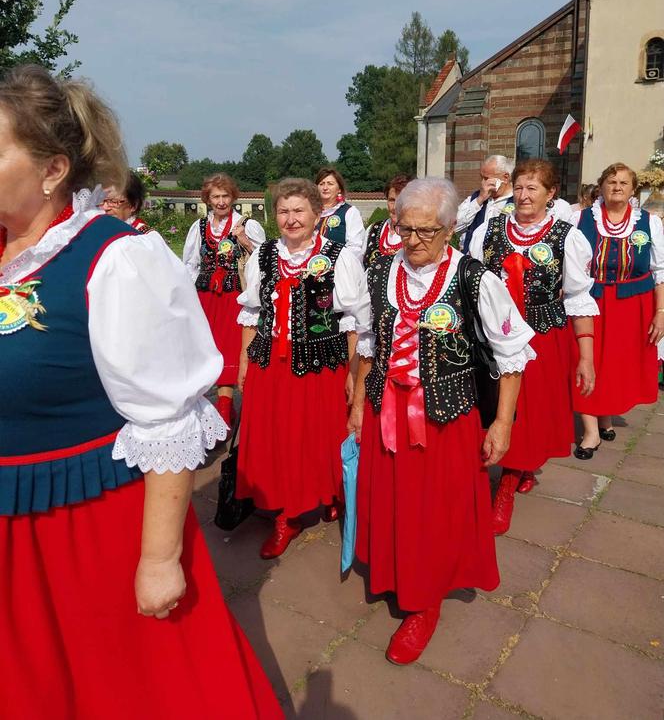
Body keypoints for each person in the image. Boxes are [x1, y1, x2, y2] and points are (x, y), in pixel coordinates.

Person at [0, 65, 282, 720]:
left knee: (129, 688)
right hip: (11, 523)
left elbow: (167, 419)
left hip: (85, 527)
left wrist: (160, 559)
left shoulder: (117, 258)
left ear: (52, 169)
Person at [349, 177, 535, 666]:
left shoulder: (476, 279)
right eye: (405, 229)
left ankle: (424, 601)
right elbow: (368, 344)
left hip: (445, 419)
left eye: (426, 231)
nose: (413, 241)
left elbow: (512, 354)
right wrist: (355, 405)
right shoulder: (379, 274)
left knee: (435, 511)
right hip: (384, 411)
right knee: (392, 502)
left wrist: (502, 423)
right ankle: (396, 574)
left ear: (450, 228)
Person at [236, 178, 370, 559]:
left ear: (316, 215)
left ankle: (325, 492)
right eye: (283, 211)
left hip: (319, 366)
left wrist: (350, 371)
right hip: (270, 365)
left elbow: (355, 321)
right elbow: (251, 312)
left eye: (299, 211)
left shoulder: (339, 256)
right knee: (277, 438)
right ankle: (286, 514)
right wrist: (245, 361)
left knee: (316, 435)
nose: (291, 219)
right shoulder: (264, 255)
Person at [470, 159, 598, 532]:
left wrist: (585, 358)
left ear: (550, 194)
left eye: (533, 189)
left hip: (543, 337)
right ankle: (508, 469)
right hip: (494, 336)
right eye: (520, 187)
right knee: (492, 406)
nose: (524, 196)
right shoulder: (489, 230)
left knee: (526, 413)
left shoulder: (566, 236)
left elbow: (577, 299)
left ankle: (507, 485)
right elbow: (470, 282)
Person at [572, 162, 664, 457]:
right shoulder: (580, 219)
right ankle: (590, 433)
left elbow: (660, 271)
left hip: (632, 303)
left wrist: (660, 312)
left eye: (624, 183)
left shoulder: (649, 222)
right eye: (611, 182)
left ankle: (605, 417)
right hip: (589, 300)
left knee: (614, 365)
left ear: (633, 189)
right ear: (601, 187)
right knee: (585, 361)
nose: (617, 187)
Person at [183, 174, 265, 423]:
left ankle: (225, 409)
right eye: (215, 197)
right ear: (207, 199)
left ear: (233, 197)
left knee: (229, 351)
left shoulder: (247, 225)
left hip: (233, 298)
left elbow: (264, 260)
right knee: (205, 350)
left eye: (225, 196)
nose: (220, 201)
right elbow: (190, 265)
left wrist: (244, 241)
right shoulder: (198, 227)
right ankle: (207, 410)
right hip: (205, 298)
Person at [457, 155, 573, 253]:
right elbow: (454, 226)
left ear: (505, 178)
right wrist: (479, 200)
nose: (483, 183)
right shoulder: (476, 198)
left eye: (486, 178)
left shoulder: (522, 201)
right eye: (481, 178)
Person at [315, 167, 366, 259]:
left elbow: (355, 247)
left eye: (330, 184)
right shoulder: (311, 212)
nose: (325, 188)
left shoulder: (349, 212)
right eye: (321, 184)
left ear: (339, 189)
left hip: (339, 266)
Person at [363, 173, 411, 269]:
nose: (395, 207)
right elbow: (360, 266)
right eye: (392, 200)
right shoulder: (373, 229)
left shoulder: (418, 234)